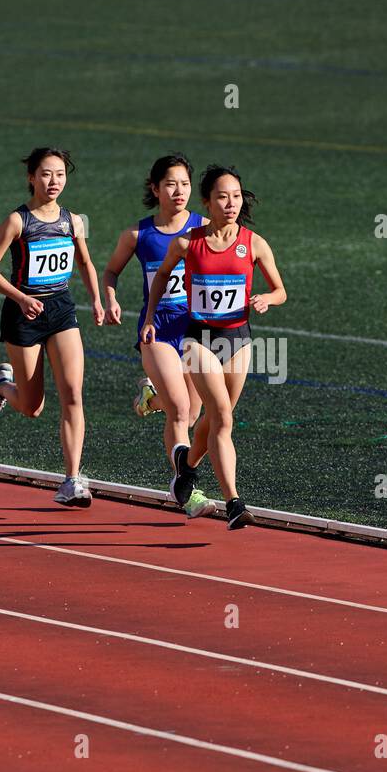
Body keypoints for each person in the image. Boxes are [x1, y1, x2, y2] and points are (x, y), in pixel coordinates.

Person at [141, 165, 286, 529]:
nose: (231, 203)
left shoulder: (254, 244)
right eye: (223, 197)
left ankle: (186, 469)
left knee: (213, 419)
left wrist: (268, 298)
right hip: (198, 339)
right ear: (207, 201)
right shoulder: (188, 243)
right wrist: (148, 318)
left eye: (236, 196)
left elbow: (281, 290)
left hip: (238, 339)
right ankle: (234, 502)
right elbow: (160, 277)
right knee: (222, 416)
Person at [0, 146, 104, 507]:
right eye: (46, 174)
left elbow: (85, 263)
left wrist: (96, 299)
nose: (54, 181)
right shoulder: (18, 221)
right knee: (32, 406)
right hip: (24, 315)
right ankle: (2, 386)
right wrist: (20, 298)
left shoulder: (73, 220)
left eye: (61, 174)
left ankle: (72, 479)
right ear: (31, 177)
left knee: (73, 395)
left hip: (61, 310)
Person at [103, 154, 216, 518]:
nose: (179, 191)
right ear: (155, 188)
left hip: (194, 330)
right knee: (181, 408)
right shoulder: (138, 235)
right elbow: (111, 271)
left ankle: (149, 399)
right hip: (157, 330)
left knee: (193, 412)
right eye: (171, 183)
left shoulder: (205, 227)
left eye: (185, 183)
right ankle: (186, 488)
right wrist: (110, 297)